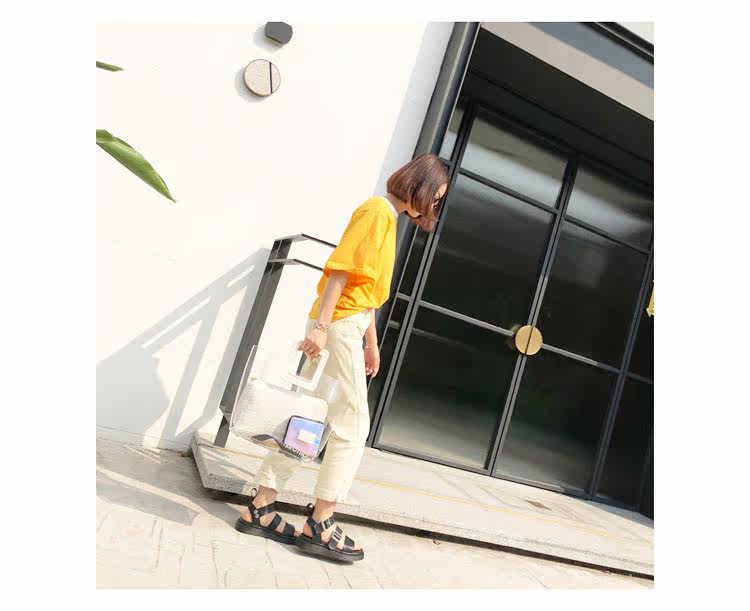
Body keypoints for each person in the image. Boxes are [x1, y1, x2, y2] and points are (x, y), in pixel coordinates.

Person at [235, 154, 448, 562]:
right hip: (338, 325)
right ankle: (321, 521)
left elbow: (365, 291)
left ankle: (261, 507)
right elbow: (340, 271)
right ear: (420, 186)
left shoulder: (387, 217)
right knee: (352, 425)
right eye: (435, 197)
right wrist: (322, 327)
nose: (434, 205)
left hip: (347, 323)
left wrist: (371, 342)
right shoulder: (376, 212)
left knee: (311, 421)